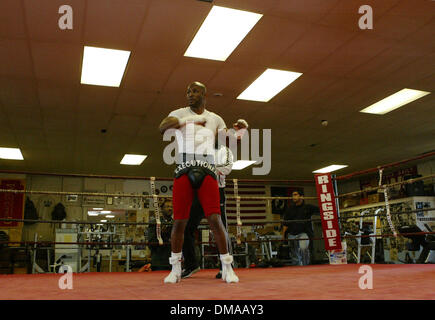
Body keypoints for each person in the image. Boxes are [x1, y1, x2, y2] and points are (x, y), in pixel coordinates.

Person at [158, 81, 248, 284]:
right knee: (180, 220)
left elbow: (228, 141)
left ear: (204, 94)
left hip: (207, 168)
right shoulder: (179, 113)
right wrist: (184, 122)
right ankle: (175, 269)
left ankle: (227, 267)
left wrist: (239, 132)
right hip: (184, 167)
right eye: (188, 91)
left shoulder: (215, 118)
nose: (190, 94)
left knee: (215, 219)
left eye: (195, 91)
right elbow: (162, 128)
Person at [181, 144, 233, 279]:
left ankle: (226, 267)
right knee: (186, 227)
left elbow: (226, 168)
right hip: (198, 192)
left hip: (216, 190)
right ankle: (191, 265)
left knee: (221, 228)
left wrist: (204, 171)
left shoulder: (224, 150)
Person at [281, 190, 319, 266]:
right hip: (292, 233)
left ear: (301, 196)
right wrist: (283, 235)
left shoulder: (308, 207)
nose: (293, 197)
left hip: (303, 233)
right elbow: (285, 223)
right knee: (294, 253)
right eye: (292, 195)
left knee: (303, 248)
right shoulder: (289, 209)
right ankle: (297, 268)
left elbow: (321, 210)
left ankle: (305, 265)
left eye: (295, 194)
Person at [147, 199, 173, 270]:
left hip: (172, 261)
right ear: (162, 209)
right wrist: (161, 233)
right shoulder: (155, 223)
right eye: (167, 206)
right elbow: (150, 243)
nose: (170, 208)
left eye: (171, 207)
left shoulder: (175, 223)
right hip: (158, 261)